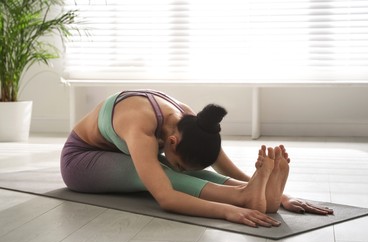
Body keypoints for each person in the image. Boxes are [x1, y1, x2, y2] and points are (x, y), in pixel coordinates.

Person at [60, 89, 333, 228]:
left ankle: (253, 194)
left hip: (115, 155)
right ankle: (243, 198)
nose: (178, 160)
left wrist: (280, 197)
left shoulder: (191, 123)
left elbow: (220, 164)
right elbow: (165, 197)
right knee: (165, 173)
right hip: (81, 161)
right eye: (177, 157)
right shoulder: (139, 125)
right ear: (172, 142)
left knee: (183, 171)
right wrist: (230, 211)